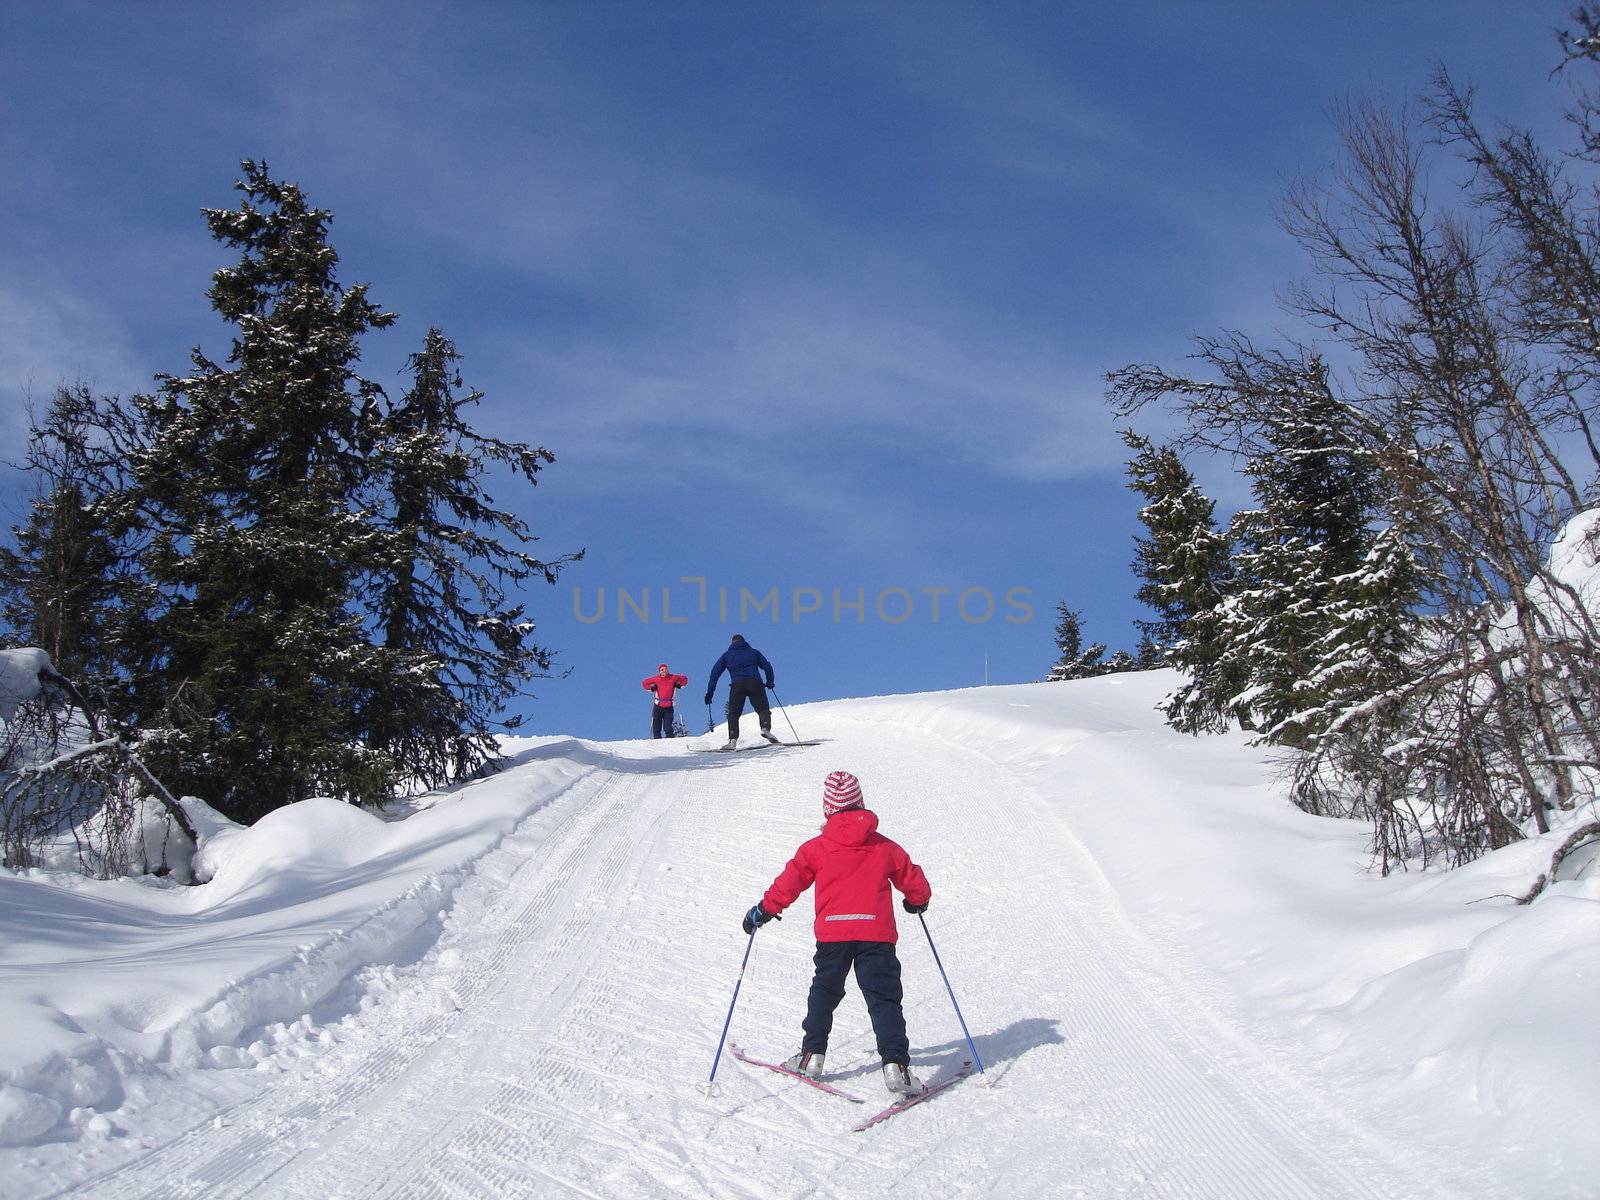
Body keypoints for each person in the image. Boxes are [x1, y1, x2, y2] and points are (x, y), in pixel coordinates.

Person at [739, 770, 933, 1096]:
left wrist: (764, 911)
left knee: (825, 993)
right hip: (876, 934)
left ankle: (812, 1056)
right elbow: (913, 880)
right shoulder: (885, 847)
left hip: (833, 936)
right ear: (860, 805)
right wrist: (917, 901)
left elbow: (789, 883)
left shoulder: (816, 848)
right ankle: (896, 1066)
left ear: (828, 809)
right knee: (883, 998)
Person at [704, 633, 777, 750]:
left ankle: (732, 741)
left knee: (733, 713)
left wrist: (710, 693)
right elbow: (767, 666)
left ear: (732, 643)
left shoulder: (727, 656)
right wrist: (770, 682)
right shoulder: (754, 652)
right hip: (755, 683)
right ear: (744, 641)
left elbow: (714, 674)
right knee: (762, 708)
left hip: (737, 685)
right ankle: (765, 728)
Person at [642, 663, 689, 738]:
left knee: (668, 726)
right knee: (656, 724)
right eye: (662, 670)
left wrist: (679, 685)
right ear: (659, 671)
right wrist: (652, 688)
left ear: (667, 670)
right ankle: (657, 740)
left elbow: (685, 679)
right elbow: (644, 683)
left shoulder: (673, 677)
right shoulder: (656, 679)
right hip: (658, 705)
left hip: (669, 705)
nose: (664, 671)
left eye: (665, 669)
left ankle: (670, 740)